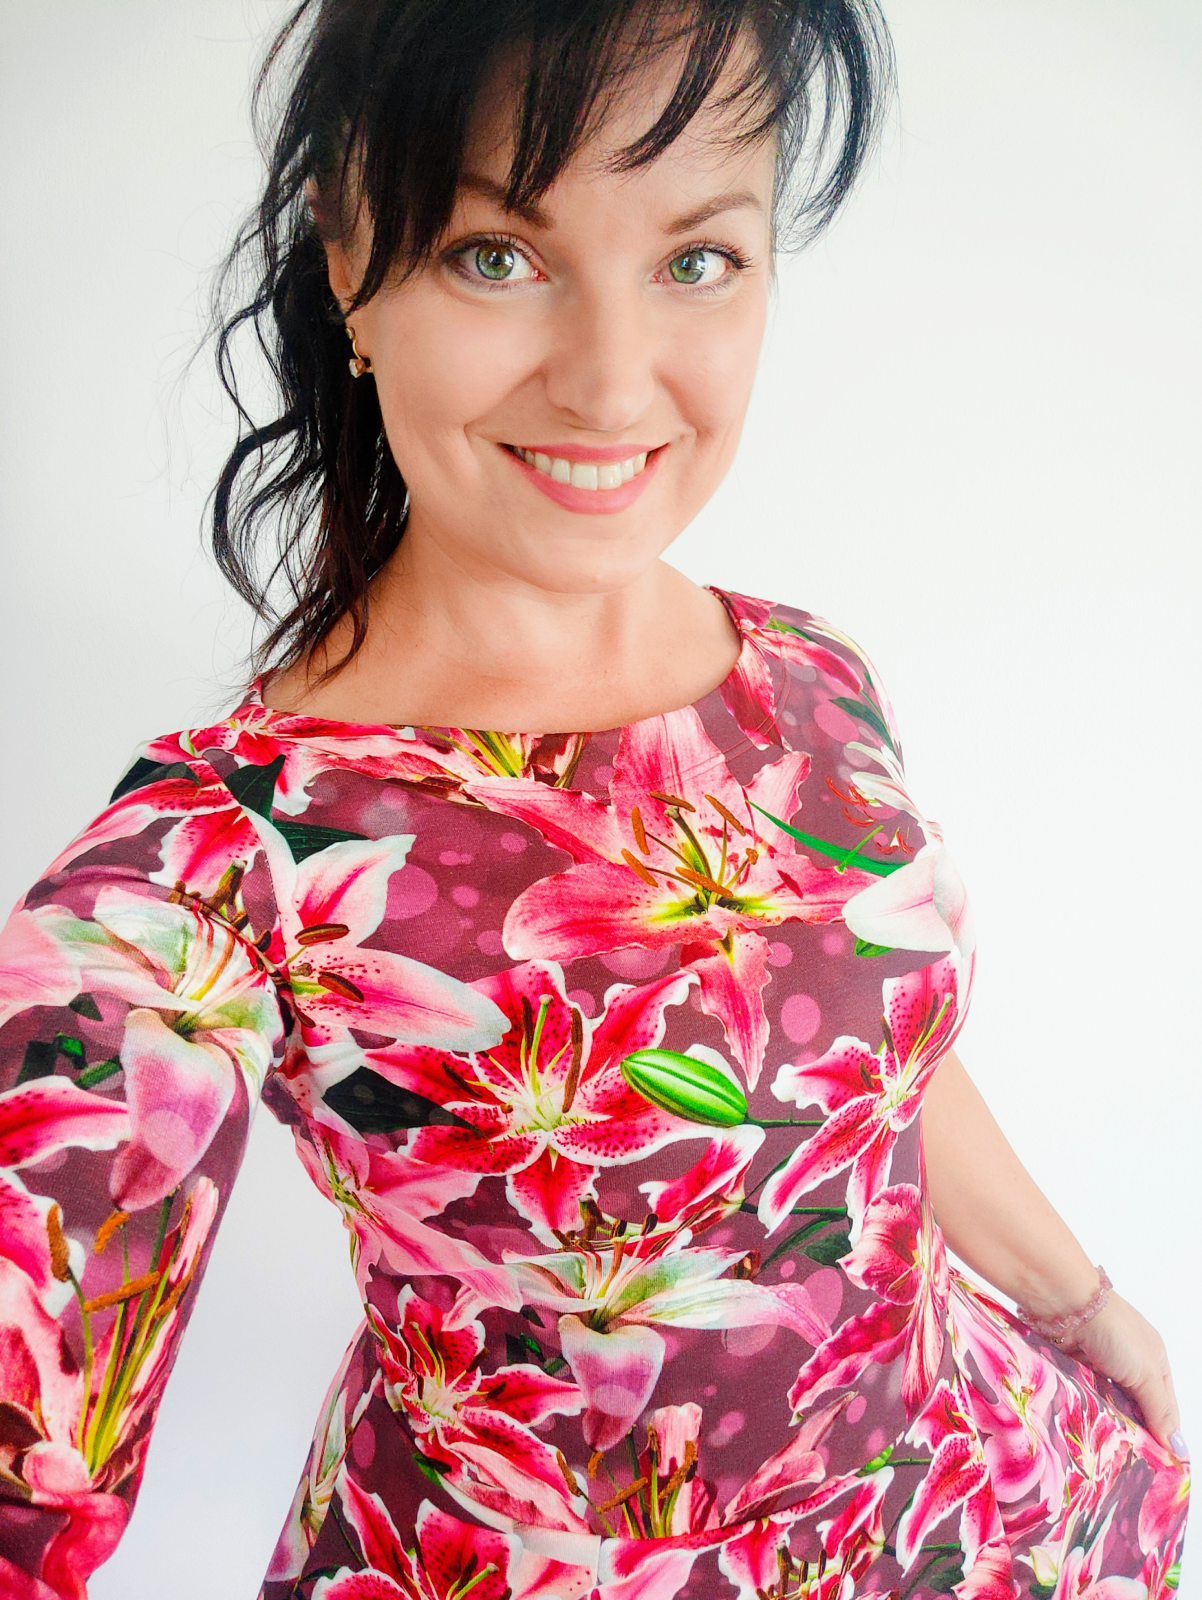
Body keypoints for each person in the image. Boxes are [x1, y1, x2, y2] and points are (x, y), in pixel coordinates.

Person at [0, 0, 1188, 1595]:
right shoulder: (214, 864)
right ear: (347, 258)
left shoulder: (800, 674)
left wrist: (1071, 1301)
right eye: (498, 255)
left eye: (696, 259)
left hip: (962, 1498)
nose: (613, 387)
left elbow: (866, 1061)